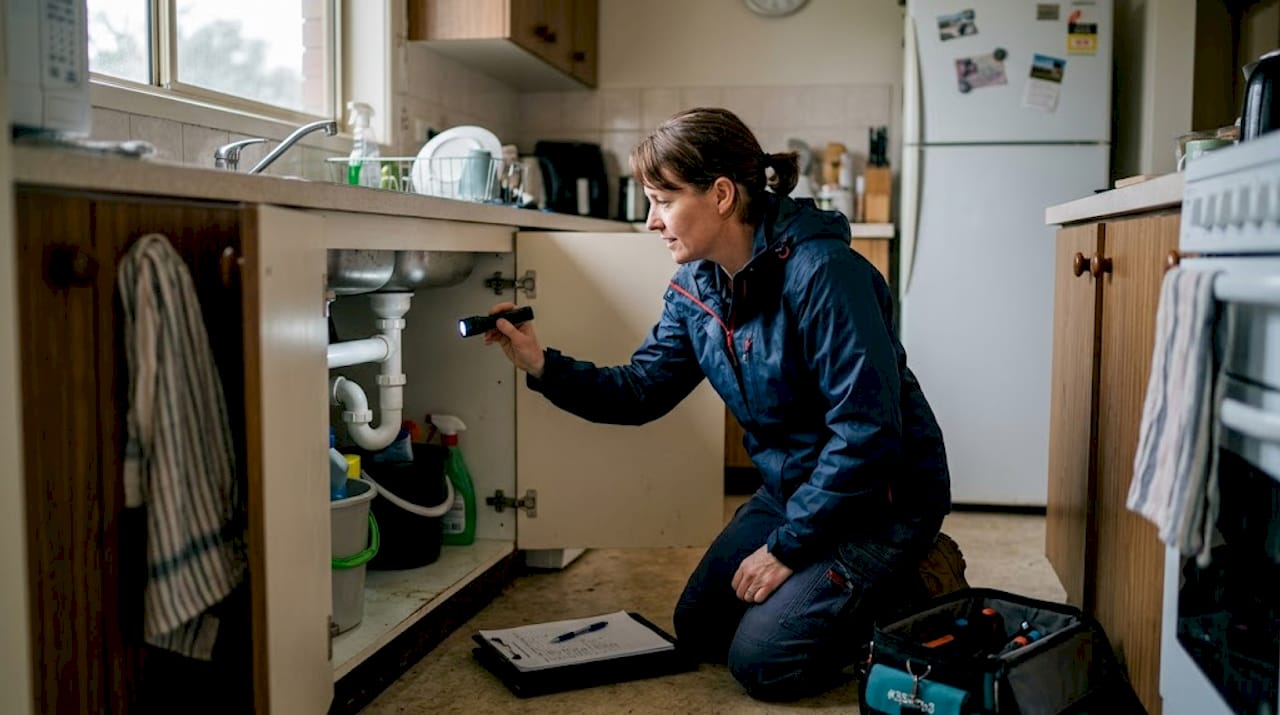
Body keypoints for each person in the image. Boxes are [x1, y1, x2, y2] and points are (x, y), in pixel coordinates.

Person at [483, 107, 955, 701]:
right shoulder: (698, 286)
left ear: (723, 195)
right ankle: (829, 585)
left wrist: (785, 550)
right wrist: (541, 364)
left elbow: (867, 434)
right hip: (792, 490)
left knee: (764, 665)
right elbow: (641, 390)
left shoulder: (827, 275)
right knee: (701, 628)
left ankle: (912, 585)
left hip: (879, 503)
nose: (651, 221)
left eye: (663, 200)